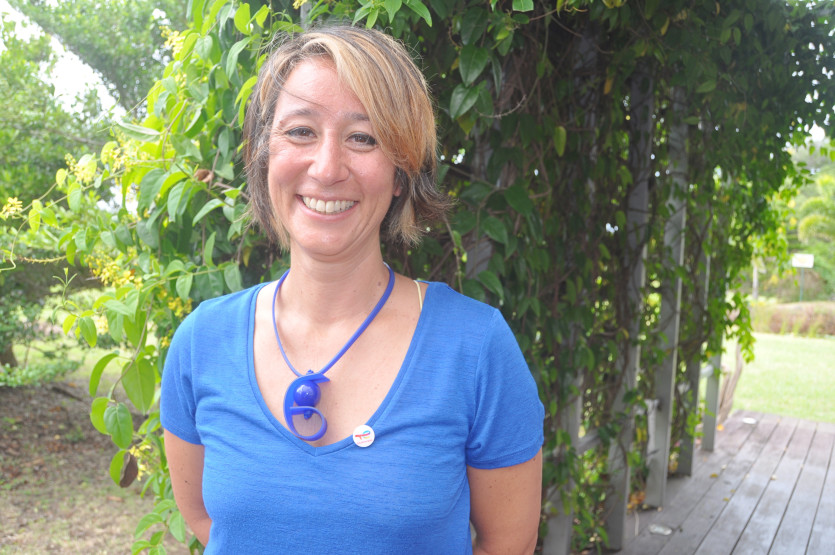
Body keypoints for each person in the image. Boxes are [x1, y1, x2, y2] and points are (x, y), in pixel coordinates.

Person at [161, 25, 544, 554]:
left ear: (402, 172)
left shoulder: (476, 348)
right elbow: (207, 520)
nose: (327, 168)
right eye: (300, 131)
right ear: (264, 155)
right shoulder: (202, 340)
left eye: (363, 138)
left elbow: (509, 543)